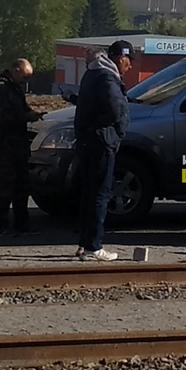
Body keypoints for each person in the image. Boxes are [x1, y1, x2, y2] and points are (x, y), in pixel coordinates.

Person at [73, 40, 132, 262]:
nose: (130, 66)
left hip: (88, 141)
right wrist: (117, 131)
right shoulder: (107, 77)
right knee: (100, 194)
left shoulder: (93, 74)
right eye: (128, 60)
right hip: (101, 143)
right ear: (120, 58)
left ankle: (84, 243)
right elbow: (116, 109)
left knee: (89, 194)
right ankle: (94, 246)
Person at [0, 58, 43, 236]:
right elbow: (4, 117)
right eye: (25, 77)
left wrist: (32, 114)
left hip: (18, 144)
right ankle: (0, 225)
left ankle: (22, 223)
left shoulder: (13, 89)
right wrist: (26, 117)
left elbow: (22, 109)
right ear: (16, 70)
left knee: (22, 187)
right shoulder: (1, 89)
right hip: (5, 145)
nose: (26, 82)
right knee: (4, 187)